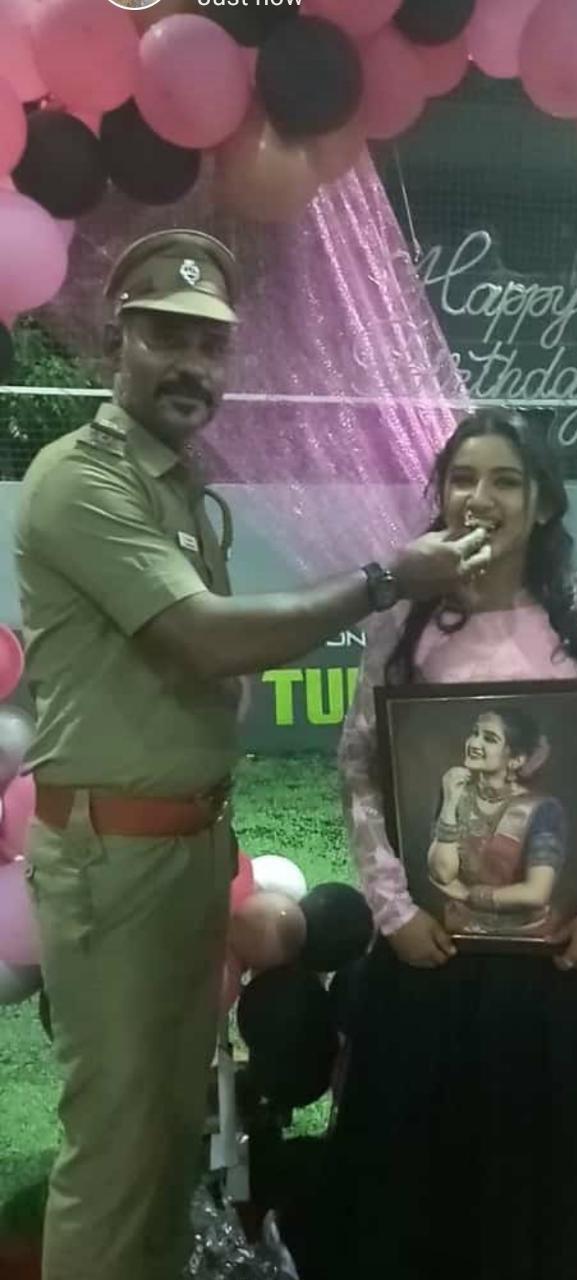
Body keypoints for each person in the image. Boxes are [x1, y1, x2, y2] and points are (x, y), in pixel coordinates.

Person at [14, 229, 490, 1280]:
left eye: (211, 345)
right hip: (114, 863)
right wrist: (384, 581)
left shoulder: (180, 488)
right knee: (117, 1148)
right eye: (167, 338)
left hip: (184, 850)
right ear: (115, 343)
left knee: (166, 1129)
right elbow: (201, 635)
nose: (192, 364)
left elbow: (197, 657)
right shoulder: (78, 479)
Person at [308, 408, 577, 1280]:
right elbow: (360, 766)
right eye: (463, 479)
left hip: (573, 950)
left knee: (564, 1175)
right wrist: (393, 909)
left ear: (543, 503)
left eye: (506, 480)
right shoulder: (404, 619)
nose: (481, 497)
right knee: (434, 1173)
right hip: (437, 949)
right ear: (440, 496)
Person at [428, 708, 566, 936]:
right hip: (460, 929)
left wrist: (469, 895)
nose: (474, 743)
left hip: (525, 935)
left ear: (516, 760)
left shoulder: (541, 810)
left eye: (489, 739)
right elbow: (442, 874)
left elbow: (537, 893)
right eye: (474, 733)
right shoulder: (455, 792)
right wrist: (450, 802)